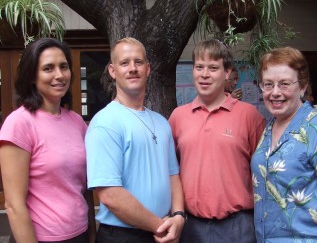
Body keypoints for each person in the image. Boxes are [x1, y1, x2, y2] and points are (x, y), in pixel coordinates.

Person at [85, 37, 185, 243]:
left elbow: (173, 175)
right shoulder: (105, 122)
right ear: (113, 71)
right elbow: (110, 195)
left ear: (148, 69)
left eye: (138, 62)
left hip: (165, 231)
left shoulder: (161, 122)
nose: (132, 68)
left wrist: (178, 216)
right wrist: (161, 227)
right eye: (124, 63)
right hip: (123, 236)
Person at [168, 39, 266, 243]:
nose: (204, 74)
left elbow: (264, 171)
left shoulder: (249, 115)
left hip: (238, 227)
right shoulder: (178, 117)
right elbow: (171, 171)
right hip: (191, 226)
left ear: (227, 72)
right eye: (199, 67)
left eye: (213, 68)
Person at [0, 38, 95, 243]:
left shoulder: (77, 122)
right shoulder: (19, 123)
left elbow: (84, 186)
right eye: (48, 68)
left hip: (80, 233)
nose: (59, 75)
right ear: (32, 76)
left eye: (64, 67)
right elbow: (14, 205)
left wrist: (92, 234)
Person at [252, 47, 317, 242]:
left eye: (285, 84)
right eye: (268, 84)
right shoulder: (270, 126)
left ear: (303, 86)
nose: (275, 93)